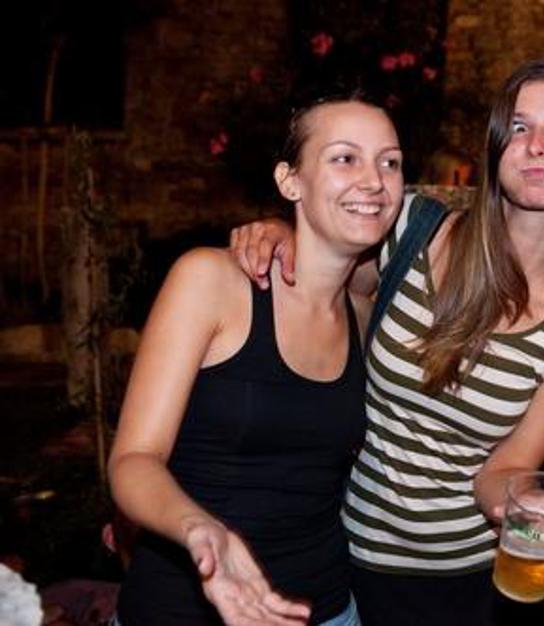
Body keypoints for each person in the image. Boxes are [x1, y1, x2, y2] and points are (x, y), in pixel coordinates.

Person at [229, 59, 544, 626]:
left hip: (463, 586)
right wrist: (282, 232)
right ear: (497, 145)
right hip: (339, 555)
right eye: (518, 127)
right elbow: (320, 288)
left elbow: (505, 469)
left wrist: (531, 503)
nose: (535, 145)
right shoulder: (413, 229)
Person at [108, 89, 405, 626]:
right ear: (290, 181)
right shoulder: (210, 281)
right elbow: (133, 460)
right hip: (184, 607)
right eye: (344, 158)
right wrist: (202, 531)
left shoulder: (364, 317)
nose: (374, 180)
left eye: (390, 162)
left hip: (326, 609)